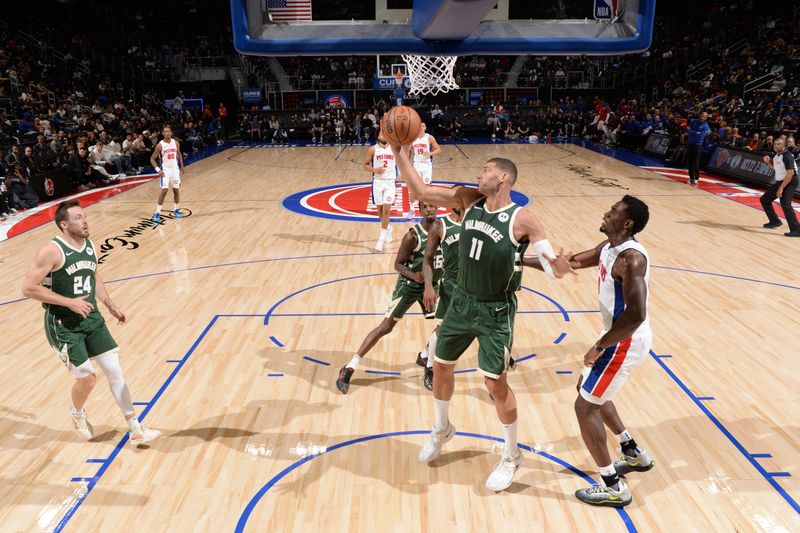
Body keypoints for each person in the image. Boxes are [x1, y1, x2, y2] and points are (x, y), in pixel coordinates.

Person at [390, 134, 573, 491]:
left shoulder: (524, 220)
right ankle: (442, 428)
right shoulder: (467, 200)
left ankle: (511, 454)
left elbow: (552, 267)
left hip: (495, 310)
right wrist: (399, 153)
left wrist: (561, 268)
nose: (479, 173)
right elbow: (422, 191)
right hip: (461, 300)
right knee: (440, 365)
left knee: (494, 383)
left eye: (486, 170)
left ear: (503, 178)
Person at [525, 195, 655, 507]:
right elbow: (565, 264)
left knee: (584, 407)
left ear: (627, 223)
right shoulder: (608, 248)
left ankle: (612, 485)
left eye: (613, 211)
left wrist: (600, 345)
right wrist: (517, 260)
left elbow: (635, 315)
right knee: (590, 392)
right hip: (615, 336)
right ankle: (633, 453)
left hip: (622, 340)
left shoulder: (631, 259)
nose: (606, 213)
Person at [21, 201, 161, 446]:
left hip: (92, 319)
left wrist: (110, 304)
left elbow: (93, 275)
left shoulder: (91, 247)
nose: (84, 221)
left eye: (85, 216)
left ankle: (135, 427)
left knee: (115, 372)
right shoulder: (51, 251)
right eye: (77, 218)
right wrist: (69, 302)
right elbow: (28, 288)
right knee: (88, 378)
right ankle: (76, 413)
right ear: (64, 224)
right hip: (63, 323)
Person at [336, 200, 443, 394]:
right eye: (425, 206)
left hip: (433, 286)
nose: (429, 209)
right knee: (386, 327)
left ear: (438, 208)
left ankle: (427, 359)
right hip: (409, 286)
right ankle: (349, 366)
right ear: (419, 210)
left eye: (432, 206)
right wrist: (413, 275)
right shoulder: (412, 236)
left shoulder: (442, 230)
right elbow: (398, 264)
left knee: (446, 324)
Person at [416, 205, 462, 390]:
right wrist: (428, 285)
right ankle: (429, 367)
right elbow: (427, 259)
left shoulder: (476, 222)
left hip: (473, 284)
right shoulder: (440, 226)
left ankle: (424, 353)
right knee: (443, 328)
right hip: (451, 284)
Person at [364, 135, 399, 251]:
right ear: (378, 136)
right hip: (378, 182)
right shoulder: (373, 149)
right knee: (379, 211)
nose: (384, 136)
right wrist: (374, 170)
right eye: (381, 133)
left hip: (390, 182)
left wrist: (401, 172)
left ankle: (381, 239)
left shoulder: (394, 148)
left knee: (386, 209)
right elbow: (365, 165)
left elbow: (402, 160)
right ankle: (387, 227)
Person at [761, 138, 800, 237]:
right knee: (765, 199)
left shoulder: (787, 156)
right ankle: (775, 221)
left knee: (785, 204)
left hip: (790, 181)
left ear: (784, 146)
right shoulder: (776, 156)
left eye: (778, 144)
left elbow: (790, 173)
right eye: (774, 144)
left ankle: (797, 230)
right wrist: (768, 162)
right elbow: (777, 169)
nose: (775, 146)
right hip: (781, 181)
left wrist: (781, 188)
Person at [404, 123, 442, 220]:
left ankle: (429, 210)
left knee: (427, 189)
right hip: (417, 165)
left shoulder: (429, 137)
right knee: (413, 189)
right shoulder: (413, 138)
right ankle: (412, 210)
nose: (421, 127)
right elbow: (409, 151)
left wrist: (430, 153)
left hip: (426, 166)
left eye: (423, 126)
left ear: (425, 128)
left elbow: (438, 149)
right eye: (420, 126)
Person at [150, 125, 185, 222]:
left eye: (169, 131)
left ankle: (176, 210)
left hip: (175, 169)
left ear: (171, 132)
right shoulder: (160, 145)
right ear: (162, 133)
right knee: (164, 191)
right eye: (166, 131)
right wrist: (158, 170)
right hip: (165, 170)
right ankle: (157, 212)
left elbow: (179, 154)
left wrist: (182, 166)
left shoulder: (176, 142)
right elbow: (152, 159)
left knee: (176, 190)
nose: (168, 133)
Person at [685, 111, 709, 185]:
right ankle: (691, 177)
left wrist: (691, 131)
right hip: (690, 143)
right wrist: (695, 132)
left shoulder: (705, 126)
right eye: (702, 115)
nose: (703, 117)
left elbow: (701, 136)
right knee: (689, 161)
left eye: (704, 116)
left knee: (695, 162)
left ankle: (696, 178)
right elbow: (686, 129)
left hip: (697, 145)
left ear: (706, 118)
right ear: (700, 115)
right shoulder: (694, 121)